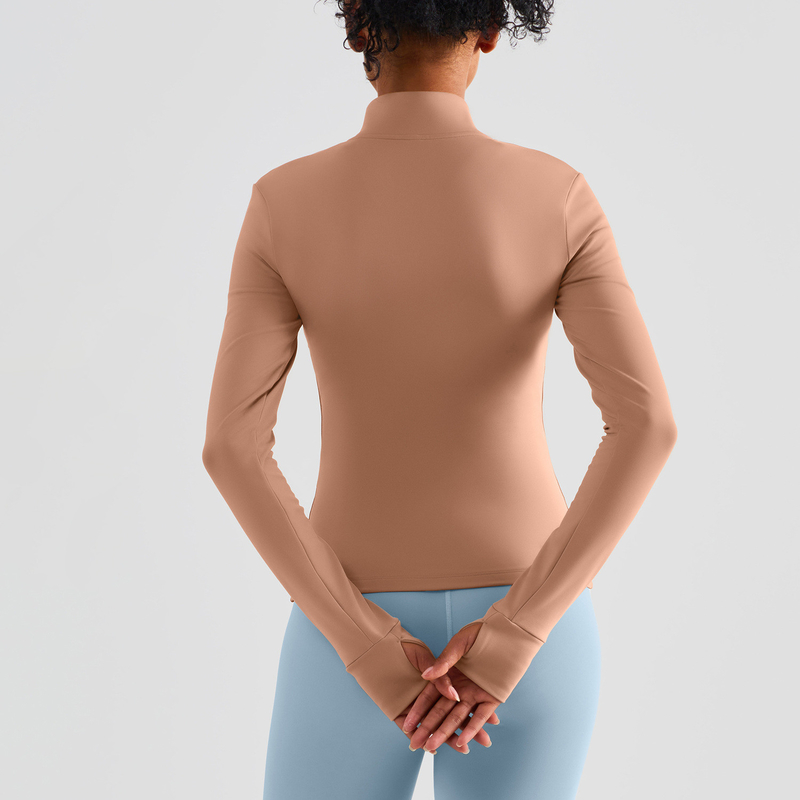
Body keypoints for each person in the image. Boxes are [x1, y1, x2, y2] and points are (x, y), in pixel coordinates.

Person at [201, 1, 678, 797]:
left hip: (344, 624)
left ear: (356, 27)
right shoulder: (556, 194)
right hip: (534, 626)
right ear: (490, 29)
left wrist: (365, 647)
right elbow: (648, 424)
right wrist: (516, 633)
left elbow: (232, 448)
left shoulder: (283, 202)